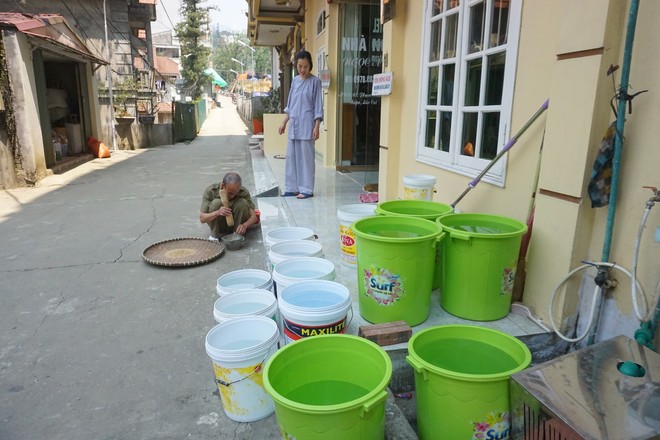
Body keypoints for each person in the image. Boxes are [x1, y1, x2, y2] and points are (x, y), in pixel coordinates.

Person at [278, 50, 324, 199]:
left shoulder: (315, 82)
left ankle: (306, 189)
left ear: (310, 65)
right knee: (291, 157)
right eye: (299, 66)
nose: (302, 70)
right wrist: (284, 122)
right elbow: (291, 104)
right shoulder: (295, 81)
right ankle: (292, 187)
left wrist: (317, 127)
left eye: (305, 66)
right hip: (294, 125)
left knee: (306, 159)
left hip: (307, 125)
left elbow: (318, 105)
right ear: (296, 66)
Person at [199, 172, 259, 240]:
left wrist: (245, 225)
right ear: (223, 186)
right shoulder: (211, 191)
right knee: (216, 203)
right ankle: (214, 236)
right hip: (219, 226)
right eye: (230, 193)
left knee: (243, 203)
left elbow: (254, 217)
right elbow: (202, 218)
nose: (232, 196)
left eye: (236, 193)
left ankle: (236, 236)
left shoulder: (243, 192)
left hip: (236, 224)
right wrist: (217, 212)